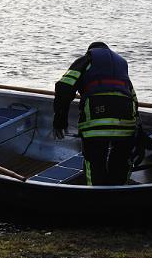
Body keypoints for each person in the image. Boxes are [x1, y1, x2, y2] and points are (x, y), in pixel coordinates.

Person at [53, 42, 139, 186]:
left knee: (95, 163)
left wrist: (60, 120)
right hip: (126, 122)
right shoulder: (121, 65)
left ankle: (97, 198)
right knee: (120, 164)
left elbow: (64, 86)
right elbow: (133, 98)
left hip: (95, 119)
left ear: (90, 51)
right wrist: (139, 131)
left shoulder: (86, 59)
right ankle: (119, 196)